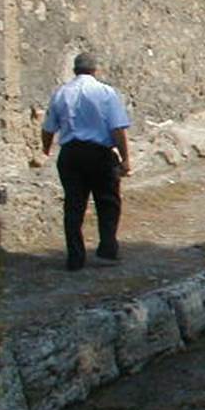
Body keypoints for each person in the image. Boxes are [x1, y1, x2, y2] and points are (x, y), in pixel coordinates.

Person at [41, 53, 131, 271]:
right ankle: (107, 249)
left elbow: (48, 128)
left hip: (70, 154)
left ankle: (75, 257)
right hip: (99, 154)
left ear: (74, 70)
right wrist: (125, 158)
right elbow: (117, 128)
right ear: (94, 70)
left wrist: (45, 149)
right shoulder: (105, 92)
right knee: (108, 201)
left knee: (73, 205)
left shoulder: (61, 93)